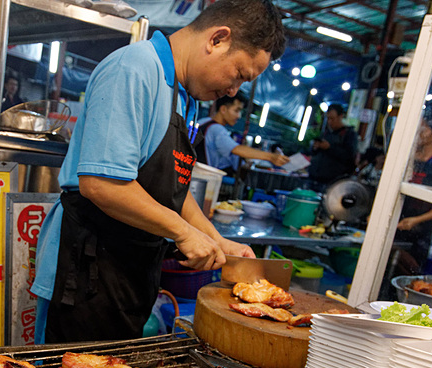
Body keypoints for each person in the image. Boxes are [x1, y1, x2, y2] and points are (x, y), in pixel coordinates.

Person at [31, 0, 285, 343]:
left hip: (131, 269)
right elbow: (102, 184)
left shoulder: (183, 95)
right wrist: (183, 233)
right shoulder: (134, 69)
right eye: (239, 74)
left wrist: (215, 239)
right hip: (87, 270)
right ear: (217, 39)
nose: (232, 91)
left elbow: (172, 191)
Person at [395, 112, 432, 274]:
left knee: (407, 272)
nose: (419, 131)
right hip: (395, 223)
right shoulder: (406, 156)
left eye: (424, 128)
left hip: (419, 232)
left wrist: (415, 220)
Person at [195, 93, 289, 174]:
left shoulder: (203, 121)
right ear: (223, 109)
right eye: (236, 110)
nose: (239, 116)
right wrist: (271, 157)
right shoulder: (217, 129)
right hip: (200, 176)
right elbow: (236, 149)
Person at [306, 104, 358, 190]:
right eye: (328, 118)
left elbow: (349, 157)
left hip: (333, 183)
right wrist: (316, 147)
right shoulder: (326, 133)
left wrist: (329, 148)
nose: (330, 122)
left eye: (332, 119)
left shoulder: (349, 134)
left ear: (341, 116)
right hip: (314, 179)